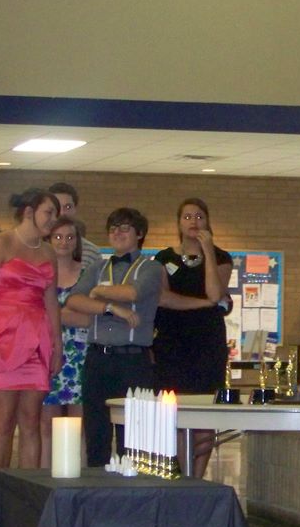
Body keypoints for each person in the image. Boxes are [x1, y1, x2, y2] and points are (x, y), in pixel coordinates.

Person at [0, 189, 62, 472]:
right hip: (2, 338)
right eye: (49, 213)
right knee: (2, 422)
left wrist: (57, 345)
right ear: (29, 212)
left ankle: (27, 490)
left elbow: (51, 301)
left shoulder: (48, 252)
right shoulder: (1, 243)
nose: (53, 220)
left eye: (56, 214)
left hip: (37, 340)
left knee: (31, 421)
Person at [67, 208, 163, 467]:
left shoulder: (151, 267)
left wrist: (98, 291)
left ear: (139, 233)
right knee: (96, 430)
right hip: (98, 358)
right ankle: (96, 484)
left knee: (131, 434)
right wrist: (109, 307)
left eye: (124, 228)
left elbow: (133, 293)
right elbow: (74, 300)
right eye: (112, 229)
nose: (117, 233)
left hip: (132, 360)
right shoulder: (97, 267)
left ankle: (129, 486)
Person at [153, 198, 233, 478]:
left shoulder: (221, 258)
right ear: (178, 223)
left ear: (208, 222)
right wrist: (203, 304)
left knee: (204, 412)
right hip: (172, 342)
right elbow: (164, 298)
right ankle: (179, 475)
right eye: (187, 217)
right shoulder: (164, 258)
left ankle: (196, 478)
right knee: (174, 411)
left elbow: (215, 292)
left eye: (199, 216)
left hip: (206, 343)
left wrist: (208, 250)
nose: (193, 222)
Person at [40, 217, 89, 469]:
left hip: (81, 354)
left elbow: (91, 317)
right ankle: (44, 479)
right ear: (48, 240)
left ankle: (80, 478)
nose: (64, 242)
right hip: (46, 353)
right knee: (47, 426)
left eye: (70, 237)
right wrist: (66, 314)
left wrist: (54, 315)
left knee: (79, 426)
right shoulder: (40, 273)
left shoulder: (87, 273)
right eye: (58, 237)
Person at [49, 182, 102, 270]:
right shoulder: (35, 249)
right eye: (57, 207)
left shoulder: (92, 253)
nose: (62, 213)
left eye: (68, 207)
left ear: (75, 209)